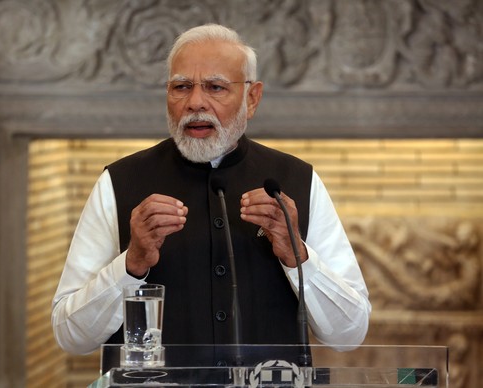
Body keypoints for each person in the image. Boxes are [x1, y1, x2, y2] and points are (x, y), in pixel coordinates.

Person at [52, 24, 371, 357]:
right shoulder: (119, 182)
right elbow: (70, 337)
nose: (195, 102)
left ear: (252, 98)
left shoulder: (296, 180)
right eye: (181, 86)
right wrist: (131, 264)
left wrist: (297, 256)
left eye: (215, 87)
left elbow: (349, 335)